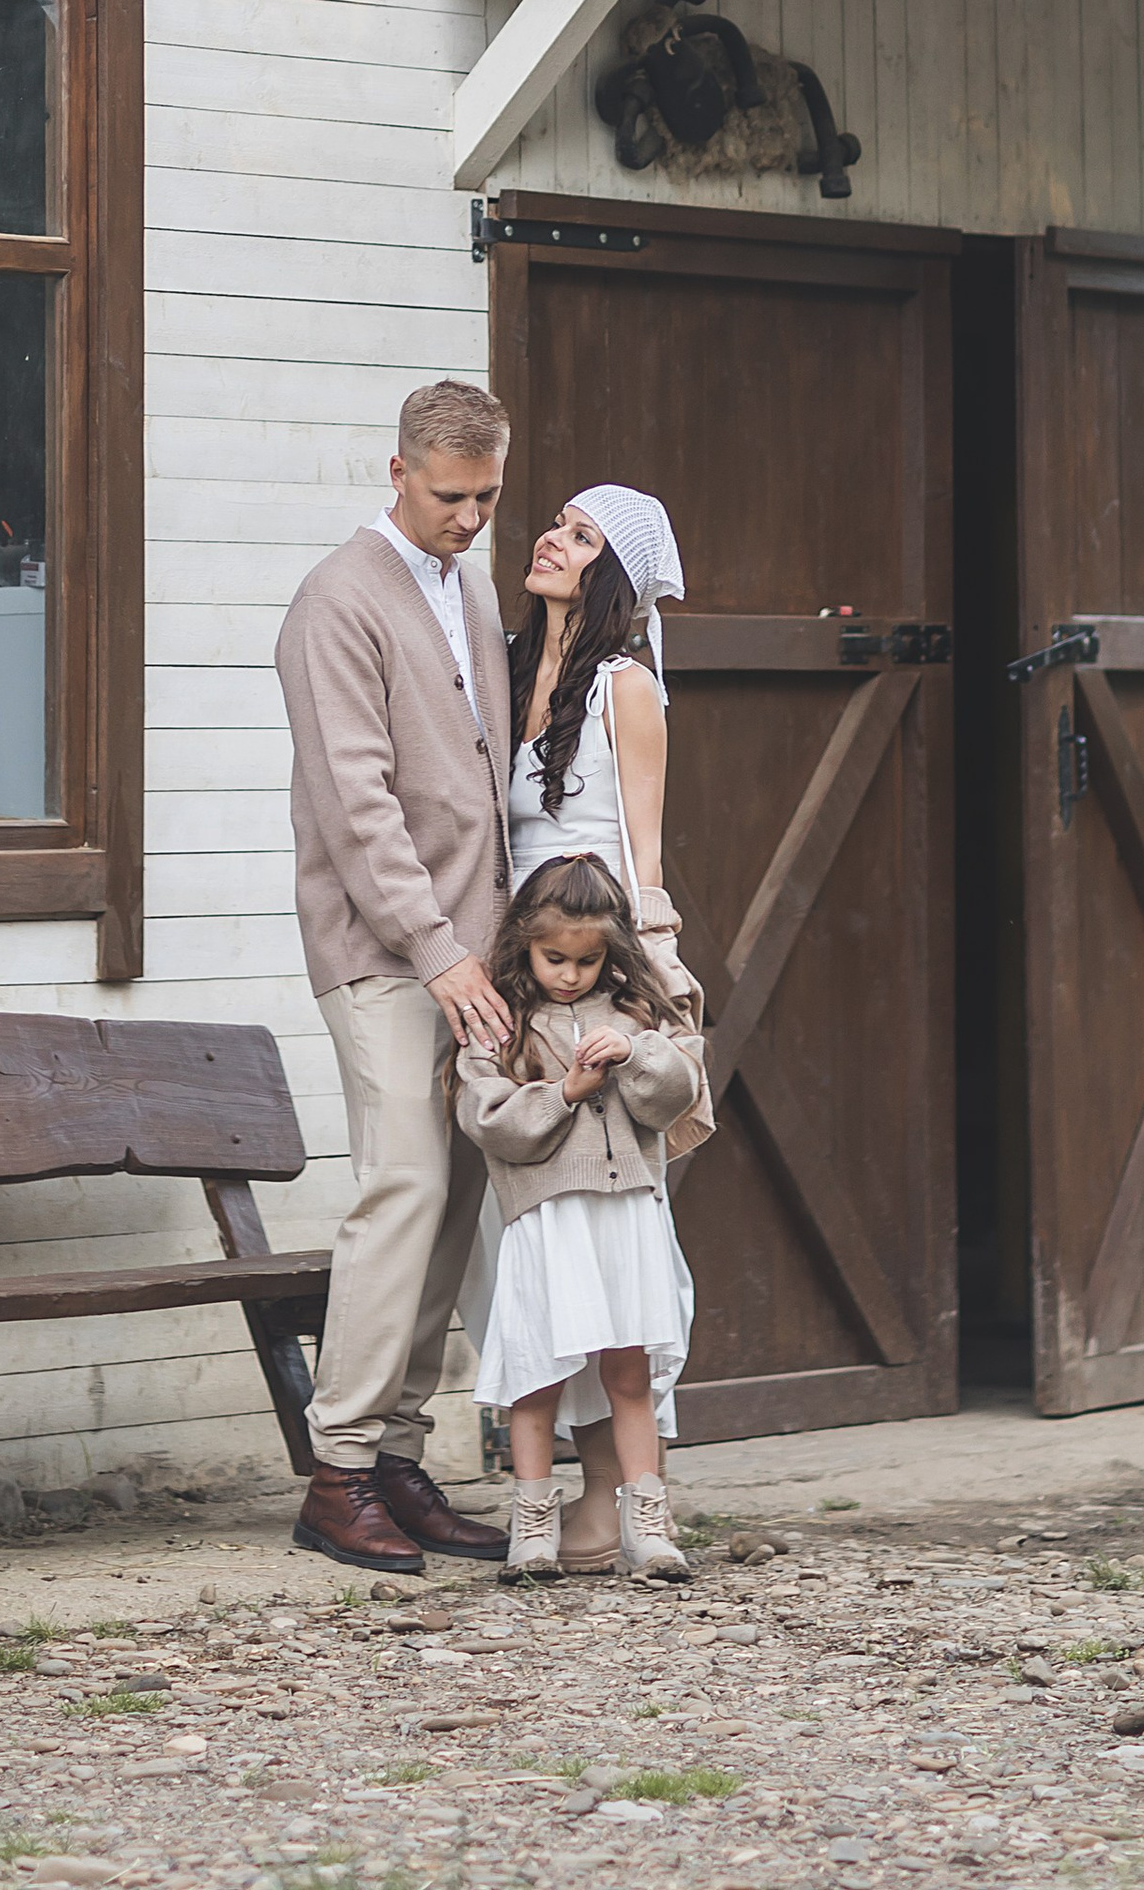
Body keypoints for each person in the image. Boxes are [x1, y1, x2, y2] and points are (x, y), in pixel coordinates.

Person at [274, 381, 518, 1574]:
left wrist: (499, 952)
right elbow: (357, 803)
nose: (470, 518)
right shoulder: (338, 598)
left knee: (459, 1193)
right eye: (449, 495)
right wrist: (438, 949)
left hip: (479, 957)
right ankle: (336, 1469)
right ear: (397, 471)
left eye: (486, 496)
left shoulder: (464, 588)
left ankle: (401, 1458)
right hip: (384, 951)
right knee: (404, 1187)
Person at [495, 478, 689, 1568]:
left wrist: (644, 998)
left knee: (615, 1229)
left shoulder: (625, 685)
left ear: (612, 569)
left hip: (596, 978)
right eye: (555, 522)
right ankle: (558, 1482)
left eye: (577, 534)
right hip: (519, 981)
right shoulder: (519, 673)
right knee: (534, 1231)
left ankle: (616, 1494)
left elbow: (643, 858)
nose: (550, 538)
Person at [457, 852, 702, 1582]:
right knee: (538, 1368)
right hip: (547, 1218)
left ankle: (647, 1525)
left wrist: (634, 1054)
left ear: (612, 951)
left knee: (630, 1369)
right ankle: (531, 1525)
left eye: (587, 959)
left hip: (627, 1215)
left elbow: (676, 1095)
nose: (569, 973)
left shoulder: (636, 1014)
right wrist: (563, 1092)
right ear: (524, 944)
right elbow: (487, 1118)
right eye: (553, 956)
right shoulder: (502, 1021)